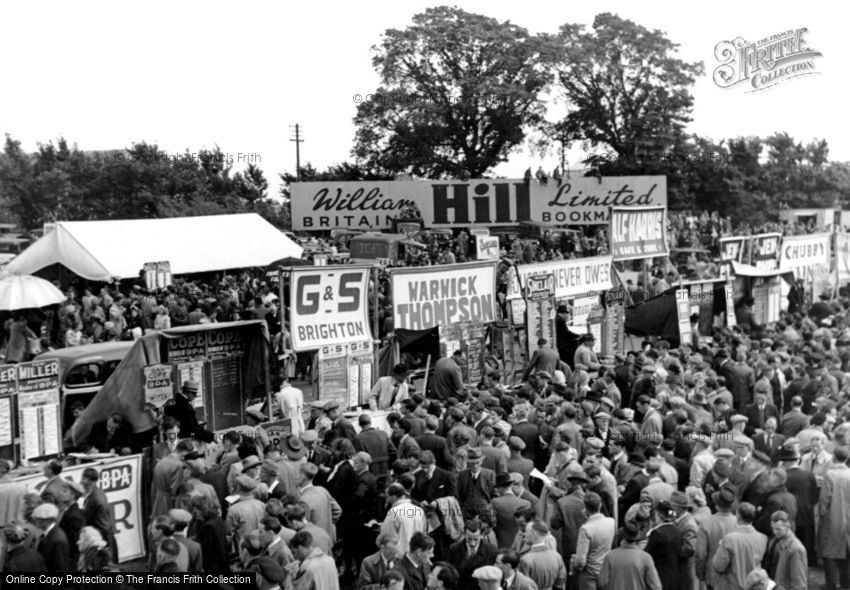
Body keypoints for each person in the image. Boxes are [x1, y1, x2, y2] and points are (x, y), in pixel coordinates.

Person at [711, 503, 767, 590]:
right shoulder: (763, 538)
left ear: (738, 516)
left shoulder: (729, 539)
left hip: (731, 586)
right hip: (753, 586)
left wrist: (720, 547)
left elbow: (719, 566)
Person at [818, 446, 850, 590]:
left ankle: (831, 584)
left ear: (833, 458)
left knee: (829, 553)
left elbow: (824, 500)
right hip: (847, 521)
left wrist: (822, 514)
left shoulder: (830, 475)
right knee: (846, 554)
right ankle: (846, 583)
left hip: (832, 519)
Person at [597, 520, 662, 590]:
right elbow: (656, 587)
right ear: (637, 535)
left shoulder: (610, 556)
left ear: (623, 535)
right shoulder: (646, 558)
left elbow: (602, 583)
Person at [572, 491, 615, 590]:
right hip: (605, 570)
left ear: (585, 508)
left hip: (589, 575)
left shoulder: (585, 529)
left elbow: (580, 561)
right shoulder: (611, 522)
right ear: (600, 505)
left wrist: (575, 567)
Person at [762, 511, 807, 590]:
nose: (775, 532)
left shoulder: (796, 549)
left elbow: (799, 583)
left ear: (788, 525)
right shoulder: (774, 542)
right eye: (773, 528)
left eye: (778, 529)